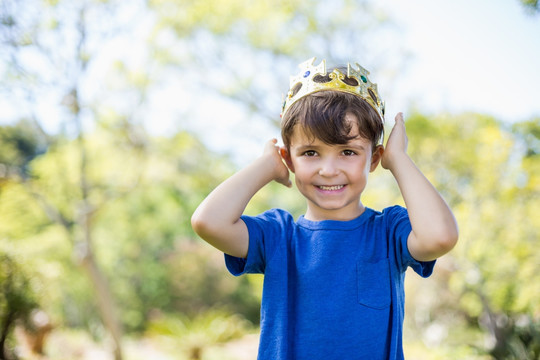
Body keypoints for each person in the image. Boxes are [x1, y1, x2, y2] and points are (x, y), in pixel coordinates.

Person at [191, 57, 458, 360]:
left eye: (347, 152)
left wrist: (399, 160)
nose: (329, 170)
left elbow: (440, 237)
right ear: (289, 160)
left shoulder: (388, 232)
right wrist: (266, 166)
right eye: (310, 152)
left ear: (373, 158)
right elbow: (207, 222)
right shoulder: (278, 236)